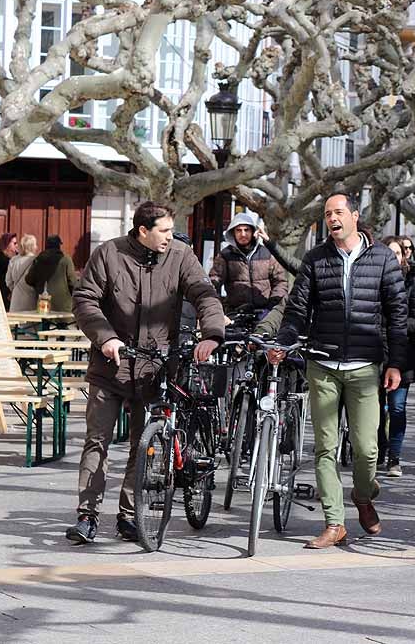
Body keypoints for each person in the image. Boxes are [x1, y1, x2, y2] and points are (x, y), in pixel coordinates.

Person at [66, 202, 225, 544]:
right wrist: (105, 337)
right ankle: (88, 515)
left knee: (144, 443)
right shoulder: (109, 254)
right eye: (164, 230)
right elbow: (84, 300)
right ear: (143, 230)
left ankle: (128, 515)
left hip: (154, 368)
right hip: (110, 366)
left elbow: (203, 293)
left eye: (170, 231)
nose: (170, 236)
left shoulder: (181, 255)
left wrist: (212, 333)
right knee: (98, 440)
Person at [272, 193, 407, 549]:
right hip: (323, 363)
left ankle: (363, 496)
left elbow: (397, 315)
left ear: (354, 216)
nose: (332, 219)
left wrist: (396, 363)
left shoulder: (381, 258)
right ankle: (334, 522)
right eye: (327, 214)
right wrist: (284, 341)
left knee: (366, 449)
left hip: (365, 366)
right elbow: (298, 309)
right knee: (325, 448)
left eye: (338, 212)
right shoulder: (316, 259)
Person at [376, 236, 415, 478]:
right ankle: (378, 450)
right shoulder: (373, 277)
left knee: (396, 407)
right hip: (374, 349)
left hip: (402, 350)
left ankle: (394, 457)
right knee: (374, 409)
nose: (393, 257)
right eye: (389, 252)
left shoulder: (412, 279)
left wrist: (397, 326)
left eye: (397, 253)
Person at [209, 213, 288, 320]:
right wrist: (217, 309)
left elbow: (280, 282)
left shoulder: (266, 253)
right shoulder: (225, 255)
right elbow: (214, 282)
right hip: (235, 313)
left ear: (252, 232)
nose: (243, 234)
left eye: (246, 230)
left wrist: (272, 306)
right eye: (238, 230)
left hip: (264, 313)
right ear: (233, 232)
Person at [25, 235, 79, 312]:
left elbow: (29, 279)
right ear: (58, 246)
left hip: (43, 305)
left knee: (44, 323)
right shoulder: (66, 259)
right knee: (63, 324)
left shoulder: (39, 259)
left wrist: (39, 287)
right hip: (62, 308)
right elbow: (73, 282)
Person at [6, 234, 39, 312]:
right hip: (31, 301)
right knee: (30, 324)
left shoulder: (13, 260)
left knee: (16, 323)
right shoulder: (36, 261)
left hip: (15, 301)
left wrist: (14, 288)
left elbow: (8, 281)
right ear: (33, 246)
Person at [0, 232, 18, 308]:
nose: (16, 245)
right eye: (14, 243)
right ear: (7, 244)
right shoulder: (4, 260)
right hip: (4, 295)